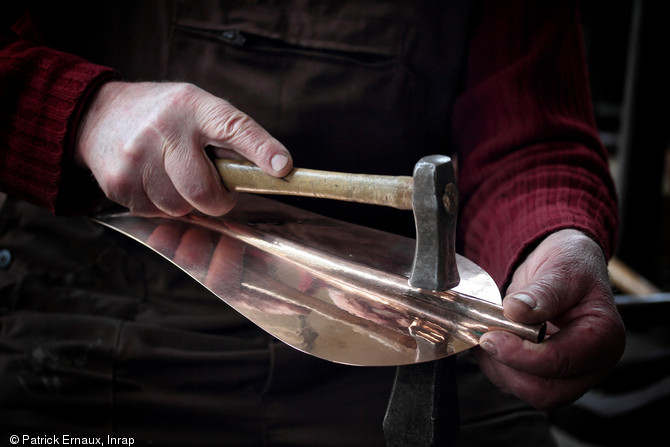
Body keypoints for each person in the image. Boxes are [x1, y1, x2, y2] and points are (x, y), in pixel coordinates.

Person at [1, 1, 625, 445]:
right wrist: (83, 110)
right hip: (87, 319)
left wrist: (550, 238)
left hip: (391, 335)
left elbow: (528, 133)